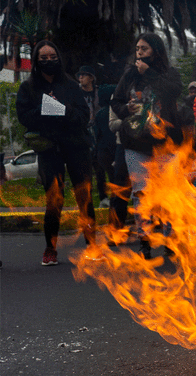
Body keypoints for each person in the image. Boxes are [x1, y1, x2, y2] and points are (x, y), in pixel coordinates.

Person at [16, 40, 95, 266]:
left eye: (53, 57)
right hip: (49, 149)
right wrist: (45, 108)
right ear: (35, 61)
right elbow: (24, 117)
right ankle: (50, 249)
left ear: (59, 58)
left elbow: (82, 117)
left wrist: (62, 109)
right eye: (44, 58)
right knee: (54, 199)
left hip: (76, 147)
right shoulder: (28, 88)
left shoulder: (70, 85)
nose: (49, 61)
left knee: (85, 196)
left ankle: (92, 244)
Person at [111, 33, 183, 258]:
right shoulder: (129, 75)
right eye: (137, 48)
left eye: (144, 48)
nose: (139, 52)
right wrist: (127, 109)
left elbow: (173, 92)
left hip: (165, 143)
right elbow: (116, 101)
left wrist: (148, 74)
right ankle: (145, 240)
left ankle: (171, 241)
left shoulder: (169, 73)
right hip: (136, 143)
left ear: (156, 50)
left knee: (167, 193)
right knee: (141, 193)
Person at [77, 65, 110, 208]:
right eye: (79, 75)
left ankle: (104, 197)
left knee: (100, 167)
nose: (80, 78)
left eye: (83, 75)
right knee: (85, 168)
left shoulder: (99, 93)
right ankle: (86, 199)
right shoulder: (76, 93)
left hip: (99, 133)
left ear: (91, 77)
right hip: (83, 134)